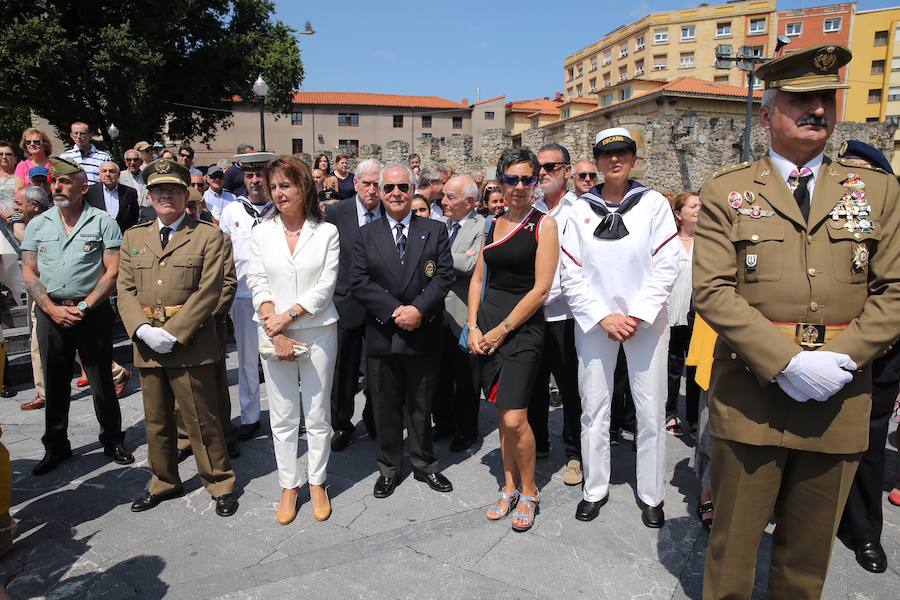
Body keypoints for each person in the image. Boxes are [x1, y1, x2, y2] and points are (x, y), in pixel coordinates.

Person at [694, 45, 900, 598]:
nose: (817, 109)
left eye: (826, 98)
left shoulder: (877, 191)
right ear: (767, 113)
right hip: (752, 395)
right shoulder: (727, 190)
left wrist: (843, 359)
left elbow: (895, 289)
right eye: (800, 98)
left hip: (839, 395)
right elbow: (712, 289)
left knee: (806, 561)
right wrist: (785, 361)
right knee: (733, 553)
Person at [560, 128, 678, 527]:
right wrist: (602, 316)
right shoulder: (579, 209)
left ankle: (652, 494)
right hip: (596, 324)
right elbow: (570, 272)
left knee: (650, 409)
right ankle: (594, 487)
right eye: (607, 155)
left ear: (633, 158)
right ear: (596, 160)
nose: (616, 160)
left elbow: (667, 264)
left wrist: (637, 314)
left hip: (645, 322)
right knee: (594, 407)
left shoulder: (654, 204)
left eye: (623, 153)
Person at [117, 158, 238, 518]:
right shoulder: (134, 237)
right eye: (157, 190)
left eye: (172, 189)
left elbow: (210, 289)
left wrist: (174, 332)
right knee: (156, 419)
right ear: (149, 196)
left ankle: (219, 482)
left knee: (202, 419)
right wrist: (141, 329)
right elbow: (124, 289)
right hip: (147, 343)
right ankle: (164, 481)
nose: (165, 195)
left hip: (190, 342)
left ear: (186, 194)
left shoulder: (208, 236)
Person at [21, 157, 133, 475]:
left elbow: (112, 271)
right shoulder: (38, 225)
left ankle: (112, 439)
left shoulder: (102, 222)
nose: (57, 186)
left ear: (83, 187)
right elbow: (28, 272)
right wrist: (52, 309)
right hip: (50, 311)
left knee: (100, 380)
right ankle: (56, 446)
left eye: (66, 181)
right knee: (55, 382)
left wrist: (83, 307)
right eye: (55, 181)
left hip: (91, 311)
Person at [351, 162, 455, 499]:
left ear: (414, 191)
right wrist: (396, 311)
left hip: (422, 333)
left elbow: (443, 277)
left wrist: (418, 310)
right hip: (383, 334)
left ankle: (425, 463)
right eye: (389, 188)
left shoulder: (435, 229)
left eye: (403, 188)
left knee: (421, 406)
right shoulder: (365, 235)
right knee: (385, 406)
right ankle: (389, 468)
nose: (396, 194)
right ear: (379, 193)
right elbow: (359, 281)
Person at [467, 148, 558, 532]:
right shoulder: (491, 225)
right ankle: (508, 486)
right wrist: (472, 326)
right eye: (512, 179)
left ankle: (530, 489)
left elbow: (541, 290)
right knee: (501, 415)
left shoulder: (545, 225)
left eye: (527, 179)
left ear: (535, 181)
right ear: (501, 182)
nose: (519, 186)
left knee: (515, 416)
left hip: (521, 330)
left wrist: (501, 330)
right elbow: (477, 279)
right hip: (485, 327)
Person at [247, 156, 340, 525]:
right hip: (273, 332)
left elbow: (326, 285)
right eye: (273, 187)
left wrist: (290, 315)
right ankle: (289, 484)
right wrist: (276, 325)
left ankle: (317, 480)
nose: (278, 193)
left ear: (304, 188)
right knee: (283, 415)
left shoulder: (327, 232)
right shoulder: (261, 232)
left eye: (285, 185)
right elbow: (257, 281)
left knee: (317, 413)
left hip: (317, 330)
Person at [835, 139, 900, 574]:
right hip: (825, 347)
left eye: (863, 174)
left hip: (881, 349)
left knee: (870, 444)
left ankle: (863, 530)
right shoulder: (831, 216)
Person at [528, 143, 583, 485]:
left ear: (567, 170)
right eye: (540, 168)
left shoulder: (580, 210)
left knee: (570, 389)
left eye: (551, 167)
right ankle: (538, 444)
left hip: (566, 315)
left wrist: (544, 294)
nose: (544, 173)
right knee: (533, 385)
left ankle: (575, 454)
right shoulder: (531, 210)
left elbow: (579, 266)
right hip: (533, 314)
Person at [324, 159, 383, 451]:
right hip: (345, 302)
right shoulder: (336, 213)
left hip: (379, 306)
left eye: (377, 184)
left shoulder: (390, 212)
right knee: (342, 371)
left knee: (376, 371)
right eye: (367, 183)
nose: (372, 190)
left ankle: (374, 419)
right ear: (356, 184)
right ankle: (341, 424)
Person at [219, 152, 276, 442]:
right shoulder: (232, 211)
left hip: (276, 297)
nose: (255, 181)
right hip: (243, 296)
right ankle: (251, 415)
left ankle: (283, 414)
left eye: (260, 175)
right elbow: (224, 255)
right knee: (246, 360)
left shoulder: (279, 209)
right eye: (250, 176)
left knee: (279, 358)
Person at [432, 175, 484, 452]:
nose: (444, 202)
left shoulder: (483, 226)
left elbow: (471, 264)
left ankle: (467, 429)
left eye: (451, 197)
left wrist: (437, 257)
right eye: (444, 196)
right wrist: (454, 256)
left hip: (464, 314)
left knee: (466, 377)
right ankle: (443, 424)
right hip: (437, 313)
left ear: (470, 202)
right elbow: (459, 259)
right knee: (440, 374)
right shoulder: (440, 225)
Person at [664, 191, 702, 436]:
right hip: (672, 312)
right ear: (679, 214)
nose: (699, 209)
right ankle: (669, 413)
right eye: (693, 206)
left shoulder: (708, 243)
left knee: (696, 366)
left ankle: (694, 416)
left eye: (700, 205)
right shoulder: (668, 242)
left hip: (699, 313)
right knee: (672, 365)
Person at [86, 161, 140, 232]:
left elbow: (134, 216)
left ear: (118, 175)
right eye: (104, 171)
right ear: (99, 174)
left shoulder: (129, 192)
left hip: (123, 236)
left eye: (111, 171)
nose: (107, 174)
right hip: (97, 236)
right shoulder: (89, 192)